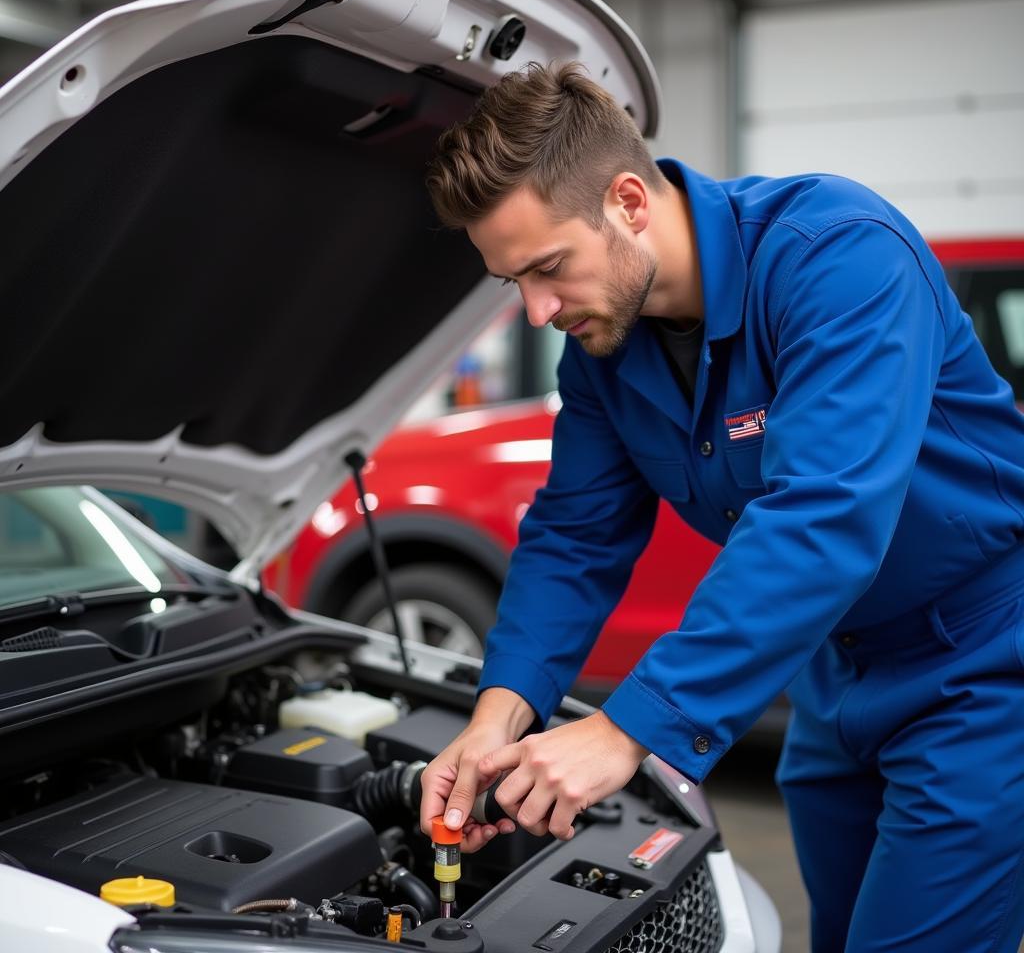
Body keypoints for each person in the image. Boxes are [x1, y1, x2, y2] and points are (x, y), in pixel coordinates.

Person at [418, 62, 1024, 953]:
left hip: (984, 661)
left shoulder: (838, 255)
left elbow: (825, 515)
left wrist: (627, 728)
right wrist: (496, 716)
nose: (539, 310)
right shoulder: (601, 354)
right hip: (833, 671)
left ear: (628, 201)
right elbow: (574, 537)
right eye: (515, 284)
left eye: (549, 268)